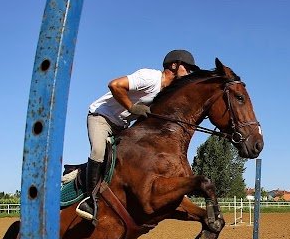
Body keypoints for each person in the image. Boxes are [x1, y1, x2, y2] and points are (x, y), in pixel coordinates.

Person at [76, 49, 199, 221]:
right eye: (187, 68)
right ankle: (90, 200)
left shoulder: (166, 93)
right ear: (174, 65)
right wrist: (132, 108)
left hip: (122, 125)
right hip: (101, 117)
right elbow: (115, 85)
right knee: (98, 151)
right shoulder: (149, 77)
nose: (189, 72)